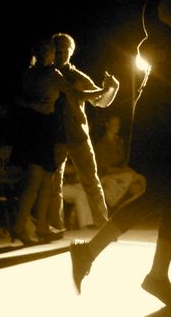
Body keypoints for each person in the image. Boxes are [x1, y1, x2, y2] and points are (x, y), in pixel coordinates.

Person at [68, 0, 171, 307]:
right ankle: (149, 272)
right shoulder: (162, 4)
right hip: (161, 110)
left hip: (167, 107)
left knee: (166, 194)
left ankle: (112, 260)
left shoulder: (170, 0)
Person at [48, 33, 120, 235]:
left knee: (91, 181)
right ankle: (56, 226)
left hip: (78, 135)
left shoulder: (78, 77)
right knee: (55, 184)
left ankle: (103, 225)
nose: (60, 52)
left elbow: (101, 102)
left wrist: (113, 88)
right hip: (56, 136)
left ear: (71, 51)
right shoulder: (48, 75)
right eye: (57, 48)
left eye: (64, 48)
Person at [9, 36, 70, 244]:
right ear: (48, 53)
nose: (55, 55)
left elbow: (19, 99)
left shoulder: (28, 72)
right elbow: (74, 91)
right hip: (42, 127)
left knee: (44, 180)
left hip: (34, 127)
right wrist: (101, 91)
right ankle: (20, 226)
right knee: (37, 181)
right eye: (53, 51)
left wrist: (31, 104)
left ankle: (41, 226)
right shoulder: (51, 73)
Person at [62, 114, 146, 229]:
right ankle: (92, 223)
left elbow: (121, 164)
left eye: (118, 124)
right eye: (114, 124)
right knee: (87, 192)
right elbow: (104, 169)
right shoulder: (100, 145)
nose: (117, 126)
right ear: (107, 125)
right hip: (104, 177)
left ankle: (124, 215)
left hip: (111, 176)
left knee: (138, 182)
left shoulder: (119, 143)